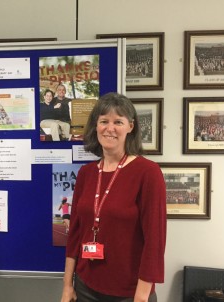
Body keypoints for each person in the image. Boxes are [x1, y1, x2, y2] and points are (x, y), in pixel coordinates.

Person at [61, 93, 166, 302]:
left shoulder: (148, 172)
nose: (110, 128)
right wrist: (67, 285)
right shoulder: (86, 173)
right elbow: (75, 233)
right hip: (85, 287)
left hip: (130, 292)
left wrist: (142, 296)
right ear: (95, 126)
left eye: (118, 121)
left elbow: (155, 240)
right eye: (104, 121)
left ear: (131, 126)